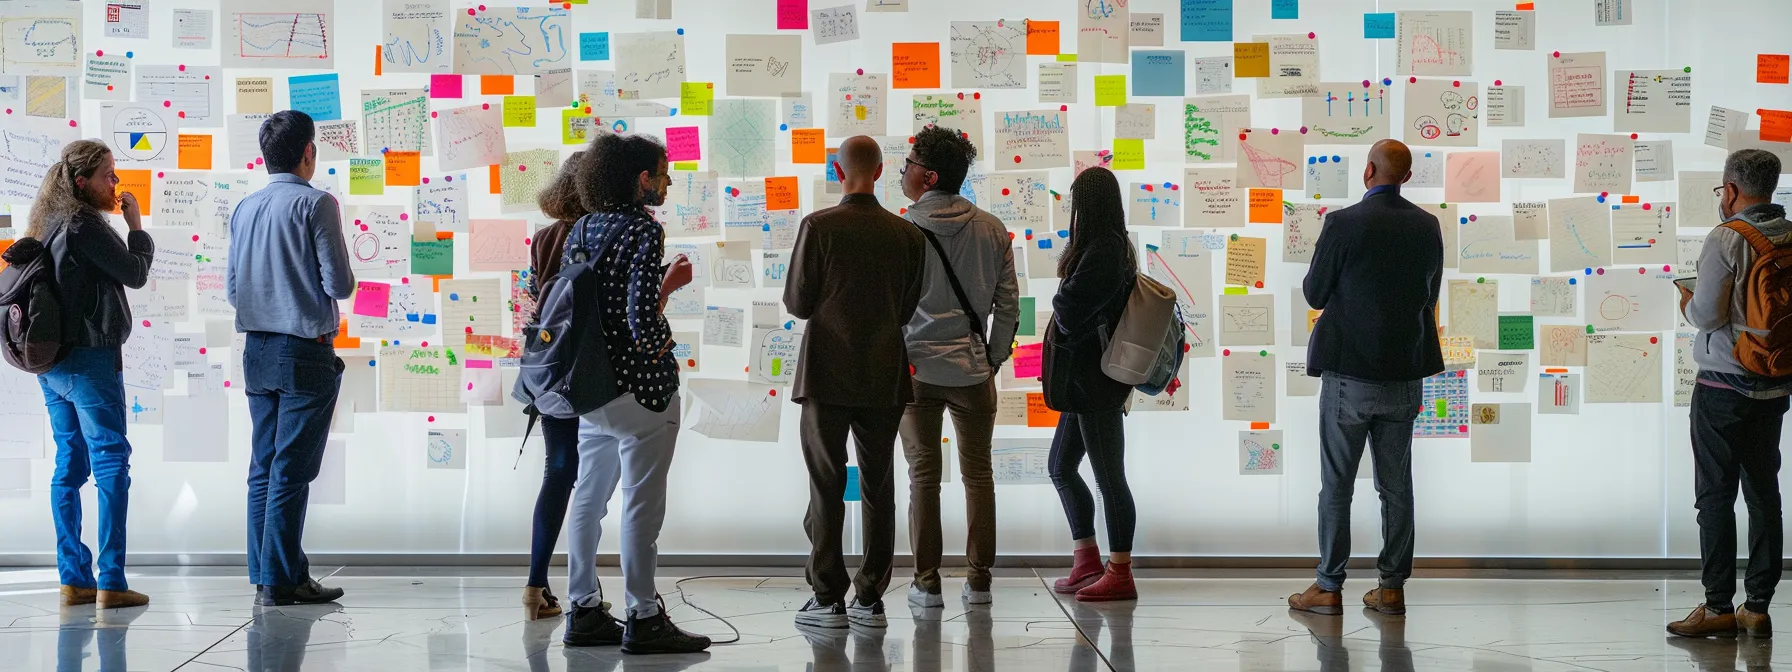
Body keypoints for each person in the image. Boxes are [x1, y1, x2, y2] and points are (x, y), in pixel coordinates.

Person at [558, 132, 709, 655]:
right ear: (641, 179)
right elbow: (641, 321)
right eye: (662, 174)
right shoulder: (644, 231)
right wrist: (668, 349)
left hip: (591, 389)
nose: (666, 183)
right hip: (640, 392)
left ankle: (582, 609)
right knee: (641, 507)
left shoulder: (583, 226)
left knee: (588, 500)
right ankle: (643, 615)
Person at [1288, 138, 1444, 617]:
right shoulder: (1427, 226)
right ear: (1407, 177)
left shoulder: (1343, 223)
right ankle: (1392, 587)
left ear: (1368, 172)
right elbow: (1430, 292)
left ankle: (1328, 586)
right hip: (1404, 374)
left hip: (1349, 374)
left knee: (1337, 484)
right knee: (1396, 486)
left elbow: (1315, 294)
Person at [784, 135, 927, 629]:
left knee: (826, 483)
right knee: (878, 483)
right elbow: (907, 310)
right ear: (882, 172)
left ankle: (827, 597)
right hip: (885, 373)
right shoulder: (907, 236)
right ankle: (870, 595)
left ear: (837, 172)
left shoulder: (818, 226)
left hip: (826, 372)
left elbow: (799, 304)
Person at [228, 110, 355, 607]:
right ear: (308, 153)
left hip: (256, 349)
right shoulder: (317, 204)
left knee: (263, 467)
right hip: (303, 351)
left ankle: (268, 574)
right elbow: (339, 284)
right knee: (291, 471)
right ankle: (282, 581)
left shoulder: (245, 207)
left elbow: (234, 289)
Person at [22, 140, 154, 610]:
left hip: (52, 362)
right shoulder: (84, 224)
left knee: (70, 464)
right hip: (90, 360)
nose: (115, 183)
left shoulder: (50, 221)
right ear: (82, 182)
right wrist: (136, 227)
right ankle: (112, 581)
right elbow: (135, 274)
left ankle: (74, 579)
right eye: (108, 175)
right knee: (111, 464)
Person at [896, 126, 1019, 609]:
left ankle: (926, 583)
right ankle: (979, 579)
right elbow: (1008, 304)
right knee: (978, 475)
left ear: (927, 177)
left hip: (916, 373)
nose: (902, 172)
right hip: (972, 372)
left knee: (922, 477)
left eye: (907, 165)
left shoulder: (903, 230)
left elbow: (891, 306)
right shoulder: (992, 228)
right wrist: (992, 357)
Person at [1669, 148, 1790, 639]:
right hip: (1776, 380)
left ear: (1733, 190)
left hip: (1723, 385)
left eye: (1723, 190)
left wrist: (1686, 300)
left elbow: (1707, 316)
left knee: (1714, 496)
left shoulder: (1727, 238)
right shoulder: (1788, 234)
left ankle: (1718, 605)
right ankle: (1757, 606)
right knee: (1764, 491)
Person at [1042, 166, 1140, 603]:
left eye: (1075, 200)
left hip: (1096, 382)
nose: (1071, 209)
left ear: (1087, 205)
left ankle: (1120, 571)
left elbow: (1068, 308)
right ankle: (1087, 559)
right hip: (1083, 383)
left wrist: (1059, 297)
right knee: (1061, 467)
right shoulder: (1107, 247)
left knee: (1109, 478)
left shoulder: (1105, 250)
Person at [519, 150, 588, 621]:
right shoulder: (596, 235)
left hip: (549, 368)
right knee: (597, 478)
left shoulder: (543, 238)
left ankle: (536, 584)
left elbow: (529, 303)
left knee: (559, 470)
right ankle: (588, 587)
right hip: (591, 369)